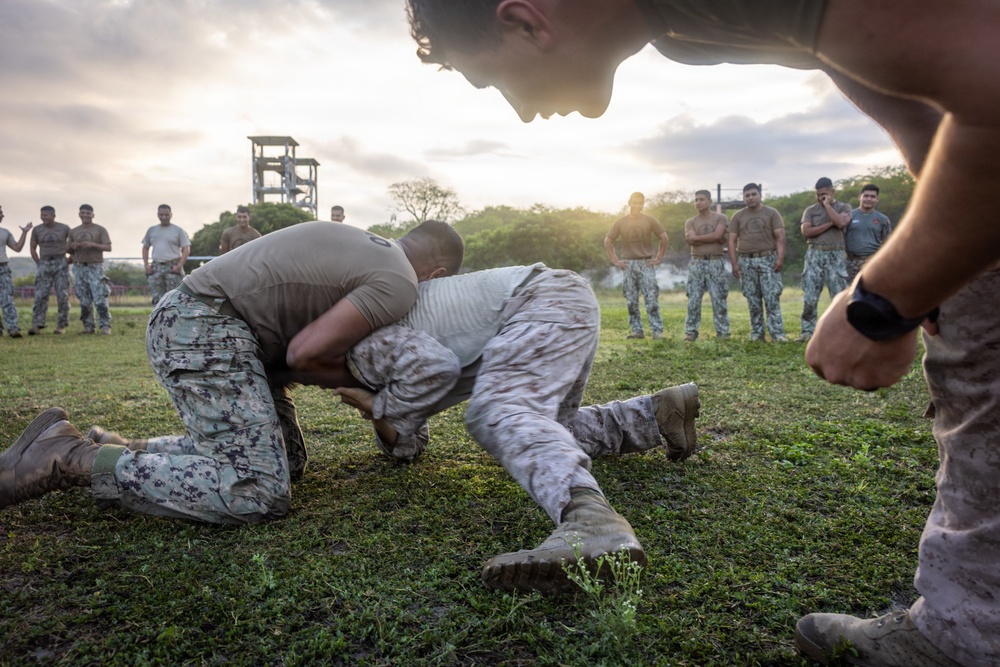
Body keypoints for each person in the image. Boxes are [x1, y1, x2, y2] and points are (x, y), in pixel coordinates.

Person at [402, 0, 1000, 664]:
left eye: (493, 81)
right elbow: (923, 113)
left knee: (499, 411)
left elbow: (989, 95)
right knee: (978, 357)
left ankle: (964, 638)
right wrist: (947, 266)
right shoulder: (679, 31)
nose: (519, 112)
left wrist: (884, 301)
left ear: (524, 20)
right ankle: (967, 630)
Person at [0, 221, 464, 525]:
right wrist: (364, 393)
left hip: (214, 326)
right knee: (259, 491)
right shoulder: (400, 281)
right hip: (204, 326)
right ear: (437, 273)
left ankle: (127, 447)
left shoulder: (370, 246)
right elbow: (304, 355)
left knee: (288, 462)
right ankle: (70, 457)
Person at [332, 264, 700, 593]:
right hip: (562, 300)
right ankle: (656, 414)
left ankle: (591, 520)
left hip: (540, 304)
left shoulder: (370, 335)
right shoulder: (413, 310)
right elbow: (409, 442)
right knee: (546, 429)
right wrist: (381, 408)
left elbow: (432, 379)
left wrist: (379, 405)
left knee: (496, 410)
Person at [603, 192, 668, 339]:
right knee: (631, 301)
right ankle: (637, 330)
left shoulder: (650, 220)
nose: (638, 206)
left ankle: (657, 331)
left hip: (646, 263)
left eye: (640, 203)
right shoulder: (621, 222)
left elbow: (664, 237)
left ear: (643, 204)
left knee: (651, 299)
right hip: (628, 264)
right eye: (635, 202)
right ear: (629, 203)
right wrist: (615, 261)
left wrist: (658, 258)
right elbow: (608, 241)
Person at [727, 184, 786, 343]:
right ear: (743, 198)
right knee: (752, 300)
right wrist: (734, 263)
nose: (750, 198)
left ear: (760, 195)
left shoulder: (772, 213)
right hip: (746, 261)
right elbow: (731, 240)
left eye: (753, 194)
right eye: (747, 195)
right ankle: (757, 334)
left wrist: (780, 258)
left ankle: (777, 334)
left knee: (771, 298)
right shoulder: (738, 216)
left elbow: (780, 237)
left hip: (768, 259)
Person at [797, 177, 850, 343]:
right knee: (810, 296)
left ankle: (841, 331)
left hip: (836, 254)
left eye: (824, 194)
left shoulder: (844, 207)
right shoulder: (810, 210)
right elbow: (806, 232)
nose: (820, 197)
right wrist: (829, 224)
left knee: (838, 296)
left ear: (832, 192)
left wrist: (828, 206)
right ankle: (807, 331)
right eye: (818, 194)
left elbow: (841, 223)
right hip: (815, 253)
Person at [683, 189, 730, 341]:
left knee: (719, 298)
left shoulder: (720, 218)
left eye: (702, 199)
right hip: (696, 261)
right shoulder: (690, 221)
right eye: (696, 200)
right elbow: (691, 240)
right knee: (693, 299)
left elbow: (718, 235)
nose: (698, 202)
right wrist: (713, 238)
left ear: (710, 201)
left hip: (715, 261)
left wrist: (698, 238)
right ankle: (691, 332)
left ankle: (723, 333)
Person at [68, 204, 113, 335]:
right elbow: (68, 249)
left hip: (95, 266)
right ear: (79, 214)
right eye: (83, 213)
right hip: (79, 267)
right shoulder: (74, 231)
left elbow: (108, 247)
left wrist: (93, 244)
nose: (85, 215)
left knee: (100, 299)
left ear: (93, 215)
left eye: (88, 213)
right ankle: (88, 326)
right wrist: (72, 246)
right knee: (84, 300)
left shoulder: (100, 230)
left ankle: (105, 326)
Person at [28, 205, 71, 335]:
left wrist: (71, 258)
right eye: (42, 215)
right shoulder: (37, 230)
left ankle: (61, 325)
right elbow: (33, 248)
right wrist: (38, 263)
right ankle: (37, 324)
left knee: (62, 295)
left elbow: (74, 243)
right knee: (41, 295)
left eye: (46, 215)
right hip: (44, 262)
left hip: (61, 262)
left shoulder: (64, 228)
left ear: (53, 216)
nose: (43, 217)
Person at [142, 204, 191, 306]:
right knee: (157, 299)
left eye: (166, 215)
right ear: (158, 215)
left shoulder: (178, 230)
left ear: (171, 214)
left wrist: (179, 265)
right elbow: (145, 247)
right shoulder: (152, 230)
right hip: (156, 268)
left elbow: (186, 248)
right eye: (161, 215)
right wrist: (146, 265)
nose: (164, 217)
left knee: (175, 298)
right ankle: (158, 316)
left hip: (172, 268)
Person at [844, 184, 892, 284]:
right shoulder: (848, 216)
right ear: (859, 197)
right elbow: (840, 239)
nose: (869, 199)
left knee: (873, 291)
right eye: (866, 196)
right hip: (851, 263)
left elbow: (887, 243)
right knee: (850, 291)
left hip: (873, 262)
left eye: (872, 196)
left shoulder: (883, 219)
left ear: (877, 199)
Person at [0, 206, 31, 338]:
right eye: (0, 213)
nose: (2, 215)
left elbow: (17, 248)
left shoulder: (5, 232)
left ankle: (13, 329)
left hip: (3, 269)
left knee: (7, 300)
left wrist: (24, 233)